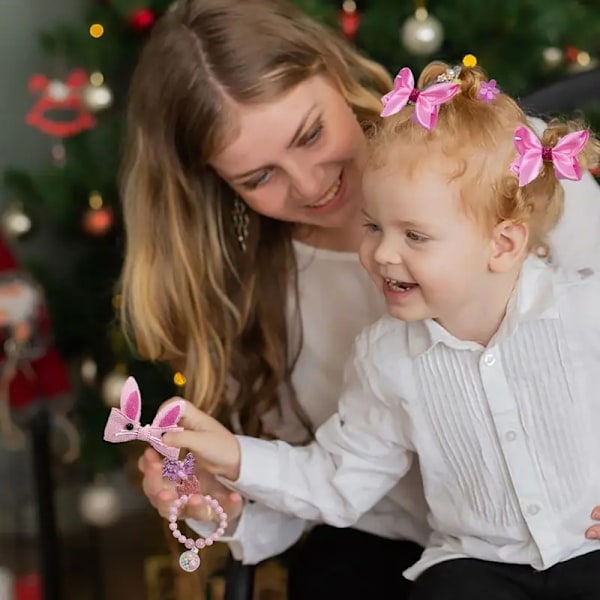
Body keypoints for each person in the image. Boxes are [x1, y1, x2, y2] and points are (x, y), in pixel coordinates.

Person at [120, 0, 600, 596]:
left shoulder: (505, 170)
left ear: (334, 73)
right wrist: (224, 494)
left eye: (312, 134)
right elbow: (327, 484)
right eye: (259, 177)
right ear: (220, 185)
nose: (311, 183)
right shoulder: (271, 300)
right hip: (417, 551)